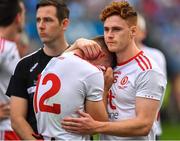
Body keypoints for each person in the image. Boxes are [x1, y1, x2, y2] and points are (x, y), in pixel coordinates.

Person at [61, 1, 167, 140]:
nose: (109, 35)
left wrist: (96, 126)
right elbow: (58, 66)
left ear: (133, 31)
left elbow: (143, 125)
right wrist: (76, 44)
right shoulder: (106, 64)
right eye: (106, 29)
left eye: (116, 29)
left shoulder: (147, 70)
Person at [6, 0, 71, 139]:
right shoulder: (24, 65)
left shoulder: (81, 61)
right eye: (38, 20)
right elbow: (17, 119)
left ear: (64, 24)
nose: (41, 26)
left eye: (47, 20)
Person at [34, 36, 115, 140]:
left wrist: (77, 43)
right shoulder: (92, 72)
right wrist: (105, 87)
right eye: (104, 68)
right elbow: (100, 123)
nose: (103, 72)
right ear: (101, 56)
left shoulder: (53, 62)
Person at [135, 14, 167, 139]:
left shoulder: (155, 56)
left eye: (135, 28)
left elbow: (158, 91)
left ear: (143, 33)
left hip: (150, 127)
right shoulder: (114, 56)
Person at [0, 0, 25, 140]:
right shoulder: (2, 47)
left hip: (12, 129)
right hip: (3, 130)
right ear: (18, 17)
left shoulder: (9, 46)